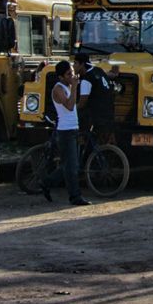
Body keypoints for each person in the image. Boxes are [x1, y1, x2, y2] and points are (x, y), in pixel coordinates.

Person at [40, 60, 91, 206]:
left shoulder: (68, 87)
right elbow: (69, 106)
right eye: (69, 74)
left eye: (73, 72)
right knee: (72, 166)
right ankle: (75, 197)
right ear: (61, 77)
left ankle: (46, 182)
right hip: (65, 131)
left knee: (69, 165)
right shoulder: (58, 89)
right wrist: (75, 87)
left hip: (73, 129)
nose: (72, 76)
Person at [73, 53, 118, 144]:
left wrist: (71, 108)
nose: (73, 66)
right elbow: (110, 75)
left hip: (97, 115)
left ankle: (81, 143)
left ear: (82, 65)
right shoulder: (98, 70)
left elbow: (82, 104)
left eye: (75, 63)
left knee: (76, 124)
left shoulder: (86, 80)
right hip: (109, 111)